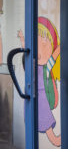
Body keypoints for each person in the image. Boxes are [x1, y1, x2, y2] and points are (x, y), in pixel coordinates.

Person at [18, 17, 61, 146]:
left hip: (42, 101)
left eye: (44, 44)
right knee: (36, 124)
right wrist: (21, 39)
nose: (40, 51)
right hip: (33, 97)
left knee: (47, 129)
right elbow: (26, 50)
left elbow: (54, 55)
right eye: (37, 44)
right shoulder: (31, 64)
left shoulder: (46, 68)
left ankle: (57, 141)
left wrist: (60, 46)